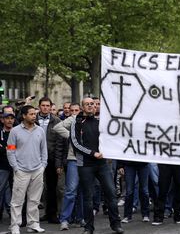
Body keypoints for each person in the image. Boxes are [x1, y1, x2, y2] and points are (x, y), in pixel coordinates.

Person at [71, 98, 123, 234]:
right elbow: (75, 144)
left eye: (92, 104)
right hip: (85, 165)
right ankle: (88, 228)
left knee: (111, 193)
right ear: (82, 107)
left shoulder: (101, 122)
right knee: (88, 197)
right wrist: (93, 153)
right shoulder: (76, 122)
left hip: (102, 164)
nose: (90, 106)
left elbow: (111, 138)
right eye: (87, 104)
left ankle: (116, 224)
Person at [7, 105, 47, 234]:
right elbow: (11, 151)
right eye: (31, 114)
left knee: (34, 200)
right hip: (21, 171)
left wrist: (43, 166)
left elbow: (44, 149)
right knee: (17, 201)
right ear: (24, 116)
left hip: (37, 170)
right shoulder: (15, 131)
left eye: (34, 114)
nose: (34, 116)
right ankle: (15, 225)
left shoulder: (40, 130)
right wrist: (16, 168)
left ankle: (33, 224)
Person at [54, 102, 83, 230]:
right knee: (70, 190)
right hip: (73, 159)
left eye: (77, 110)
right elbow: (57, 127)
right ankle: (64, 219)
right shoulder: (72, 119)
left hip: (88, 160)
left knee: (83, 191)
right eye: (73, 110)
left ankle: (80, 218)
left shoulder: (87, 120)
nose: (75, 112)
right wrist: (72, 137)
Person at [37, 97, 61, 224]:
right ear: (39, 106)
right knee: (36, 188)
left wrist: (58, 163)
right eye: (43, 105)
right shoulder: (33, 119)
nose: (45, 108)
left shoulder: (56, 121)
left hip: (51, 158)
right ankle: (34, 215)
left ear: (50, 107)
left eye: (47, 106)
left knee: (52, 187)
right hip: (35, 158)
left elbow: (58, 144)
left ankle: (52, 214)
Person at [0, 110, 15, 222]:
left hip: (16, 166)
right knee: (1, 189)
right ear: (2, 120)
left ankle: (13, 213)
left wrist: (6, 148)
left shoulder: (17, 132)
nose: (10, 120)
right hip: (2, 166)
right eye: (7, 118)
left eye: (12, 118)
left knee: (16, 190)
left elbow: (17, 148)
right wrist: (9, 148)